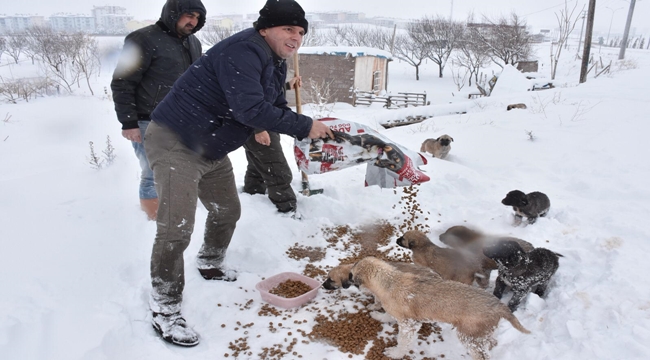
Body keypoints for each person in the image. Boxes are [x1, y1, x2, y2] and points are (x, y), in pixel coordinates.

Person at [143, 0, 333, 347]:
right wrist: (305, 126)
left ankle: (210, 262)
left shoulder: (275, 60)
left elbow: (272, 106)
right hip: (176, 141)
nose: (296, 38)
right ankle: (165, 308)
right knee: (176, 230)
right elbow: (249, 108)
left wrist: (302, 123)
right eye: (288, 29)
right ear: (265, 29)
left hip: (211, 145)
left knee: (227, 210)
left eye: (301, 32)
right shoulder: (244, 50)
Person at [110, 0, 206, 220]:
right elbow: (122, 82)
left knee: (184, 166)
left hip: (183, 120)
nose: (193, 22)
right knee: (152, 171)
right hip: (148, 121)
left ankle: (181, 207)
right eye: (188, 15)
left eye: (197, 17)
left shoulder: (193, 43)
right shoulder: (142, 39)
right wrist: (129, 122)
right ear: (173, 13)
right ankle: (153, 217)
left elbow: (196, 82)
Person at [243, 76, 302, 216]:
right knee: (278, 171)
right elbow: (246, 94)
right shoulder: (255, 58)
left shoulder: (272, 60)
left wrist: (286, 86)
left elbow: (267, 90)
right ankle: (287, 212)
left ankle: (252, 198)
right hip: (256, 123)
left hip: (266, 120)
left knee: (258, 165)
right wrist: (258, 128)